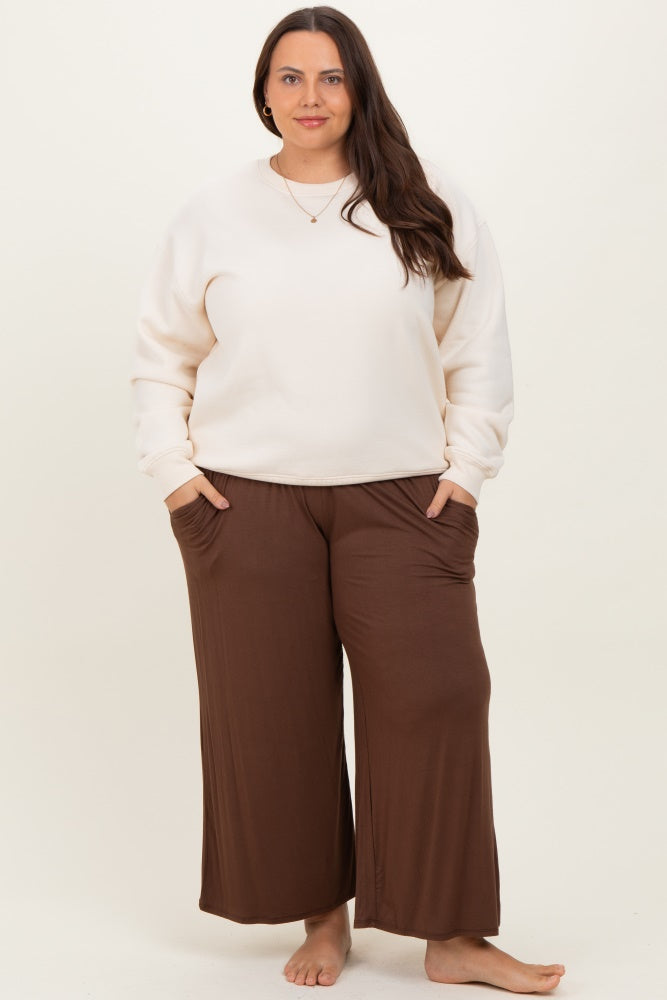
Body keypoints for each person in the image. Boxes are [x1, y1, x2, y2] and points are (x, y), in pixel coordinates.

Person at [129, 5, 565, 993]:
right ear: (263, 91)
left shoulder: (422, 196)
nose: (310, 97)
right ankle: (321, 919)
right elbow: (162, 353)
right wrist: (175, 477)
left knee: (438, 699)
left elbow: (477, 344)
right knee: (273, 717)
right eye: (290, 77)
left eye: (331, 77)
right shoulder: (212, 213)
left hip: (403, 500)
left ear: (359, 87)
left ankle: (451, 935)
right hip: (244, 504)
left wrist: (465, 473)